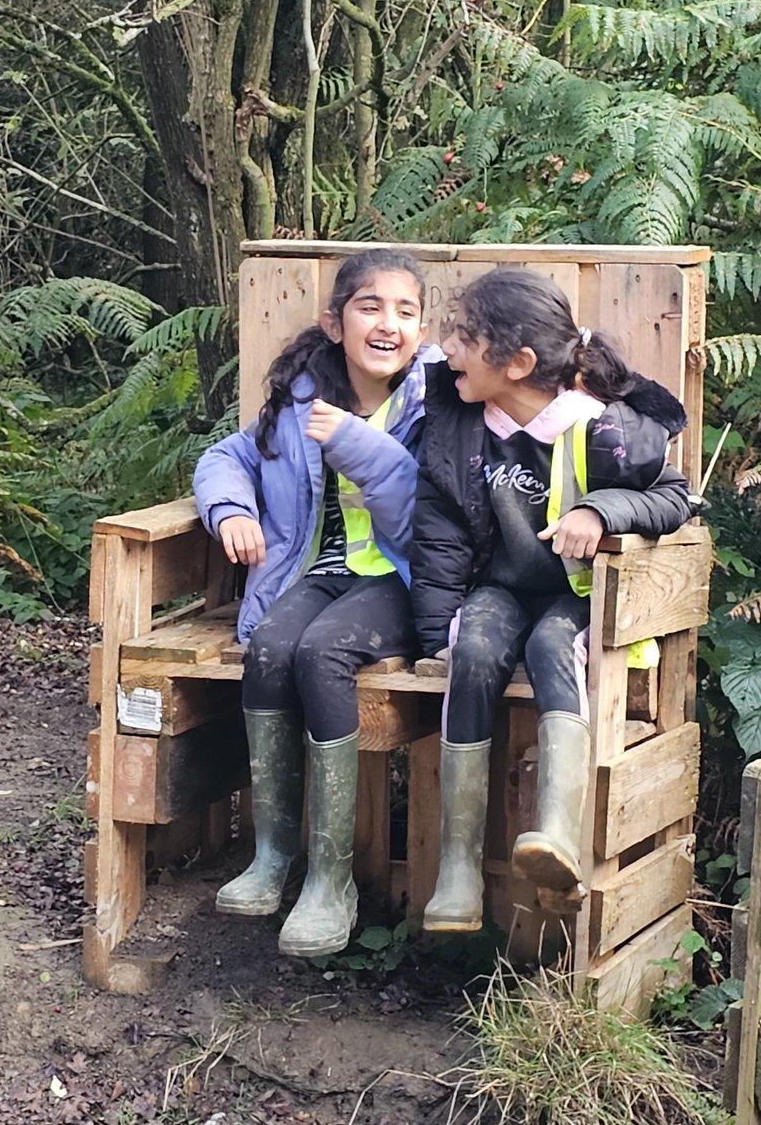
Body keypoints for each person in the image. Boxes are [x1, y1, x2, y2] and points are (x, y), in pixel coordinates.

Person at [409, 265, 691, 929]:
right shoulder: (462, 425)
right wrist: (433, 633)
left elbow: (673, 498)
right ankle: (457, 871)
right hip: (498, 589)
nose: (447, 349)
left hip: (575, 596)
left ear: (518, 363)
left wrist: (599, 510)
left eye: (464, 337)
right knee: (473, 648)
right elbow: (439, 528)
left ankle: (558, 836)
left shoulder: (599, 429)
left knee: (550, 647)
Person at [194, 250, 437, 957]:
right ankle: (273, 857)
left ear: (421, 331)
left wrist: (357, 444)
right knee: (271, 647)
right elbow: (226, 458)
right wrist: (232, 511)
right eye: (370, 307)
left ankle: (332, 881)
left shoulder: (437, 404)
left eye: (405, 311)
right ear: (335, 323)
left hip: (404, 581)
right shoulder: (300, 399)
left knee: (322, 651)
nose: (387, 324)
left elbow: (425, 520)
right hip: (319, 571)